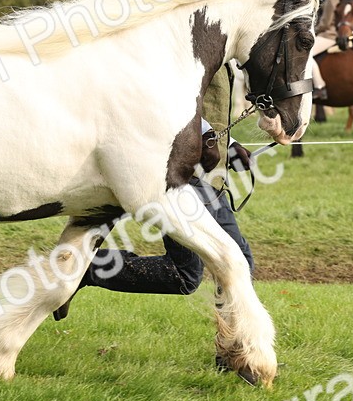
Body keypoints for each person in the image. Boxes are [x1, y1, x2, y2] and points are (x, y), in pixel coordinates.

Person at [54, 120, 254, 331]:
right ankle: (84, 268)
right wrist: (205, 133)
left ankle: (236, 352)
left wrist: (228, 143)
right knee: (184, 274)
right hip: (183, 172)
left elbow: (211, 104)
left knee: (239, 259)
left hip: (208, 174)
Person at [309, 0, 352, 101]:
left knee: (305, 54)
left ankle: (320, 87)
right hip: (344, 32)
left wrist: (313, 30)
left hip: (330, 34)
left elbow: (326, 22)